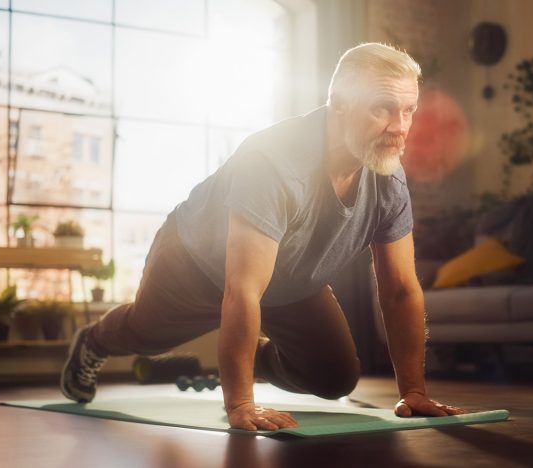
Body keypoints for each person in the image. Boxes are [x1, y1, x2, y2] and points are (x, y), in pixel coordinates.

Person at [61, 42, 465, 431]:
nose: (400, 127)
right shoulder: (273, 160)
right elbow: (243, 290)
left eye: (408, 110)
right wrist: (240, 403)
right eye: (382, 108)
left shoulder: (386, 171)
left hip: (290, 280)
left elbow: (399, 289)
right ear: (339, 105)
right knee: (144, 335)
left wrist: (413, 391)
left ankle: (245, 353)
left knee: (334, 377)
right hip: (194, 263)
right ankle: (93, 341)